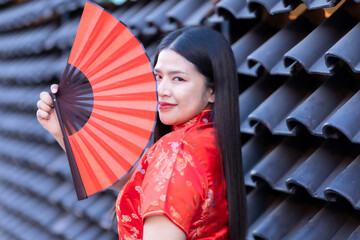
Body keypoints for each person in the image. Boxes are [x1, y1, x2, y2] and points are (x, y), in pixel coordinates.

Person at [37, 26, 247, 240]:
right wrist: (64, 133)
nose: (162, 90)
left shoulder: (175, 154)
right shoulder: (208, 138)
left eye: (178, 79)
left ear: (212, 90)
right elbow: (135, 181)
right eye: (159, 76)